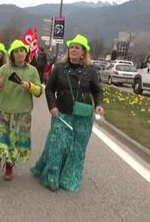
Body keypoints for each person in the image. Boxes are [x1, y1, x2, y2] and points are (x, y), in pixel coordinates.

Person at [31, 34, 104, 192]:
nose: (73, 50)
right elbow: (49, 89)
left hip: (82, 117)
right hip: (61, 113)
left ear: (84, 52)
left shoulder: (91, 71)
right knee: (57, 145)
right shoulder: (59, 68)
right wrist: (52, 106)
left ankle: (69, 178)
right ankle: (51, 176)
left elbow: (97, 90)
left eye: (77, 47)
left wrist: (99, 104)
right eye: (72, 47)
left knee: (77, 149)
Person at [0, 39, 42, 184]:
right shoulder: (5, 68)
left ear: (26, 52)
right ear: (11, 55)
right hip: (2, 111)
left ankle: (10, 165)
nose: (19, 54)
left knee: (14, 143)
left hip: (22, 114)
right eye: (16, 52)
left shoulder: (32, 70)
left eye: (22, 50)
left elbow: (39, 91)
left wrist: (30, 86)